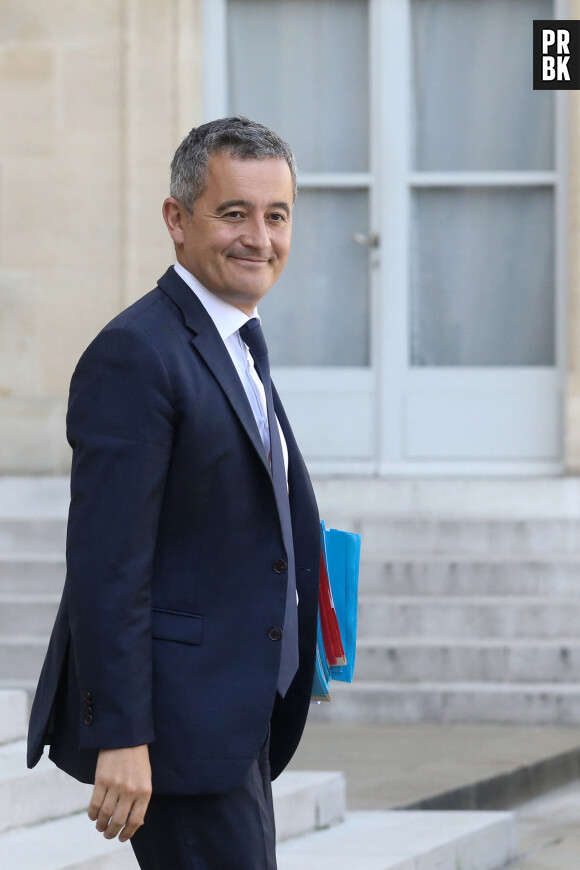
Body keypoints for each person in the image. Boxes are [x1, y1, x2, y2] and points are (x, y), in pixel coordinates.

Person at [27, 116, 320, 870]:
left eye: (276, 216)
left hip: (237, 714)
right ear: (177, 220)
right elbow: (107, 565)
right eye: (234, 214)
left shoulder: (236, 341)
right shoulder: (136, 353)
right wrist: (121, 735)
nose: (259, 237)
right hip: (177, 733)